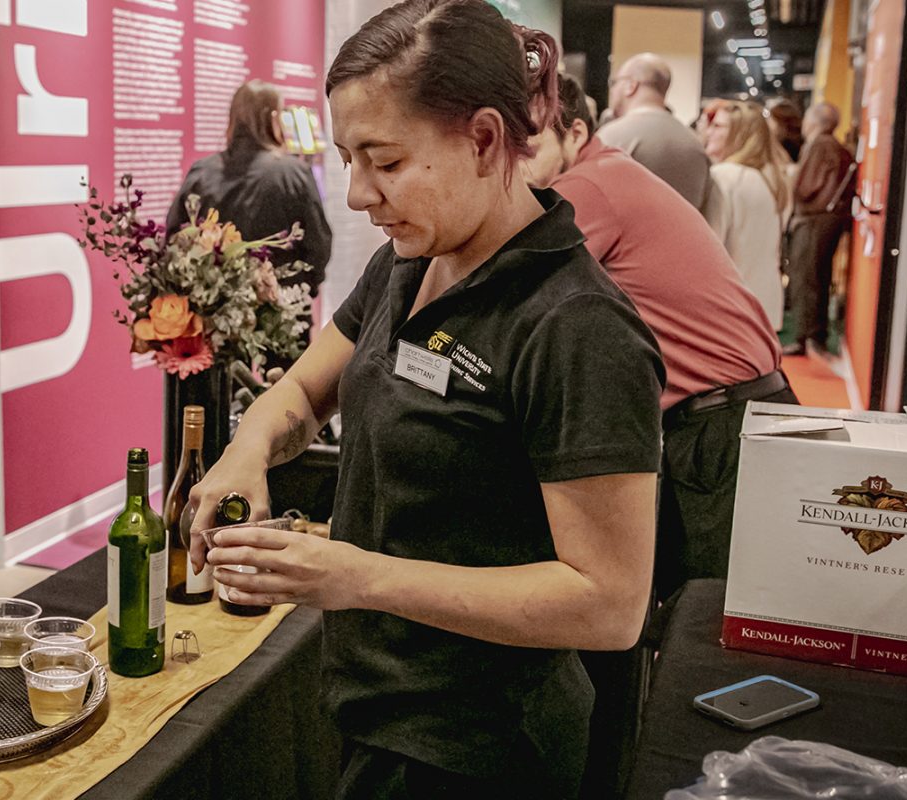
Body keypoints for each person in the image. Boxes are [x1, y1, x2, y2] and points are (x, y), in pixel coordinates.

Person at [191, 3, 664, 796]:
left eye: (383, 160)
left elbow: (607, 603)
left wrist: (356, 576)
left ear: (483, 139)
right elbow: (305, 389)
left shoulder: (577, 328)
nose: (355, 195)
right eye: (347, 158)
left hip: (479, 750)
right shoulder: (408, 265)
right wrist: (246, 454)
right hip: (376, 706)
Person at [525, 72, 789, 794]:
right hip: (723, 414)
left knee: (696, 634)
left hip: (717, 423)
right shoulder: (610, 174)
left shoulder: (589, 191)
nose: (512, 165)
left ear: (574, 134)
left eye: (526, 144)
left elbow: (506, 277)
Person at [166, 79, 332, 366]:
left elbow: (173, 240)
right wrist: (302, 289)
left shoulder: (201, 173)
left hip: (216, 319)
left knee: (219, 399)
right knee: (283, 398)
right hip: (283, 311)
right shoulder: (293, 173)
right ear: (273, 118)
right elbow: (318, 245)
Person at [703, 100, 789, 333]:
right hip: (766, 305)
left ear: (739, 134)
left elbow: (710, 247)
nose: (709, 132)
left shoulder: (724, 177)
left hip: (730, 309)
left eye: (718, 126)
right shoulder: (775, 180)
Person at [784, 102, 856, 357]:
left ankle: (807, 337)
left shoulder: (820, 145)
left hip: (814, 220)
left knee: (807, 278)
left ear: (814, 121)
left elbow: (806, 187)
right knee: (816, 277)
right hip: (827, 220)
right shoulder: (835, 146)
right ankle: (813, 335)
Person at [599, 52, 712, 209]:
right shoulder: (694, 143)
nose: (612, 90)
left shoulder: (610, 137)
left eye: (614, 82)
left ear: (631, 85)